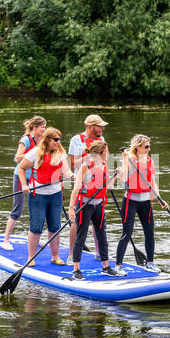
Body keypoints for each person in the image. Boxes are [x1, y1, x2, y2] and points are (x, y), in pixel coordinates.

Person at [19, 127, 74, 267]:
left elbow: (66, 170)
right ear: (48, 140)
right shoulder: (35, 152)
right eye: (56, 140)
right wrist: (24, 185)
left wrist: (72, 176)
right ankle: (31, 257)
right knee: (36, 227)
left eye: (59, 139)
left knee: (55, 227)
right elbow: (21, 168)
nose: (58, 142)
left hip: (55, 195)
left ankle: (55, 256)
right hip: (38, 195)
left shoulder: (60, 153)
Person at [115, 134, 169, 275]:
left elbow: (152, 182)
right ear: (138, 147)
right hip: (131, 201)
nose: (149, 149)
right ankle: (118, 266)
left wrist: (159, 198)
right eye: (146, 147)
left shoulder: (150, 161)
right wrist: (122, 165)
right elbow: (123, 179)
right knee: (127, 233)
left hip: (146, 201)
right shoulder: (129, 160)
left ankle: (150, 263)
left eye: (149, 146)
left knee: (150, 232)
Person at [68, 141, 118, 280]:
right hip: (85, 205)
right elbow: (76, 189)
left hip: (99, 205)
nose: (108, 154)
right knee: (81, 236)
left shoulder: (103, 165)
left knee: (102, 235)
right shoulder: (85, 167)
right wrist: (71, 208)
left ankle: (106, 267)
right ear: (100, 153)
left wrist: (114, 176)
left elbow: (108, 187)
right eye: (106, 152)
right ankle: (76, 269)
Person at [67, 114, 108, 265]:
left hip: (98, 184)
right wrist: (86, 157)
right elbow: (71, 164)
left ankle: (100, 254)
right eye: (100, 126)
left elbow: (104, 160)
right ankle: (71, 254)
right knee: (77, 222)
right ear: (90, 127)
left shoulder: (101, 140)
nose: (103, 128)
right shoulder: (76, 140)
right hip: (83, 183)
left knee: (100, 222)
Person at [2, 116, 46, 250]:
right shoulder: (25, 140)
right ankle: (6, 240)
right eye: (42, 127)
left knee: (37, 209)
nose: (44, 129)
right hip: (21, 177)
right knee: (18, 210)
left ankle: (36, 238)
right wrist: (33, 153)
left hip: (35, 178)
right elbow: (17, 158)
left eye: (45, 127)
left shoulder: (42, 140)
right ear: (35, 127)